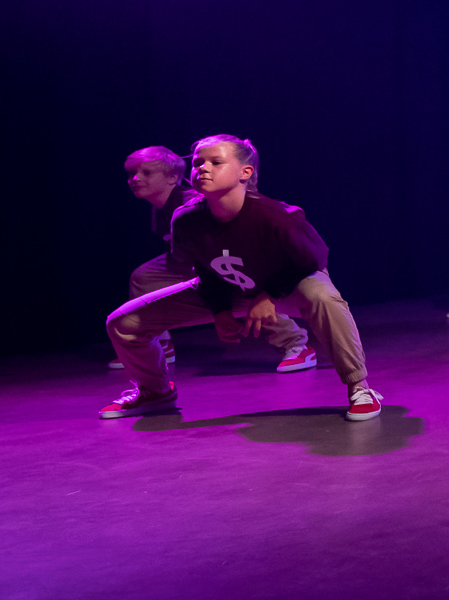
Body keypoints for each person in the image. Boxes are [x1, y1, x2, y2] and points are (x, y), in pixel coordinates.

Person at [102, 135, 383, 421]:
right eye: (198, 163)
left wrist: (269, 294)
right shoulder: (185, 219)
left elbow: (313, 260)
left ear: (245, 172)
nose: (203, 168)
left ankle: (359, 387)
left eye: (216, 162)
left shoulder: (277, 215)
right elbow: (204, 271)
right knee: (123, 323)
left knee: (324, 298)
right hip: (234, 288)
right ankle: (154, 392)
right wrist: (220, 310)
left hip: (290, 283)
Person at [108, 146, 313, 373]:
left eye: (146, 173)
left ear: (172, 177)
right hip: (194, 261)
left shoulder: (191, 202)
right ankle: (159, 345)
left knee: (246, 288)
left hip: (226, 259)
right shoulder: (159, 208)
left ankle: (296, 344)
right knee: (144, 276)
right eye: (132, 173)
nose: (135, 179)